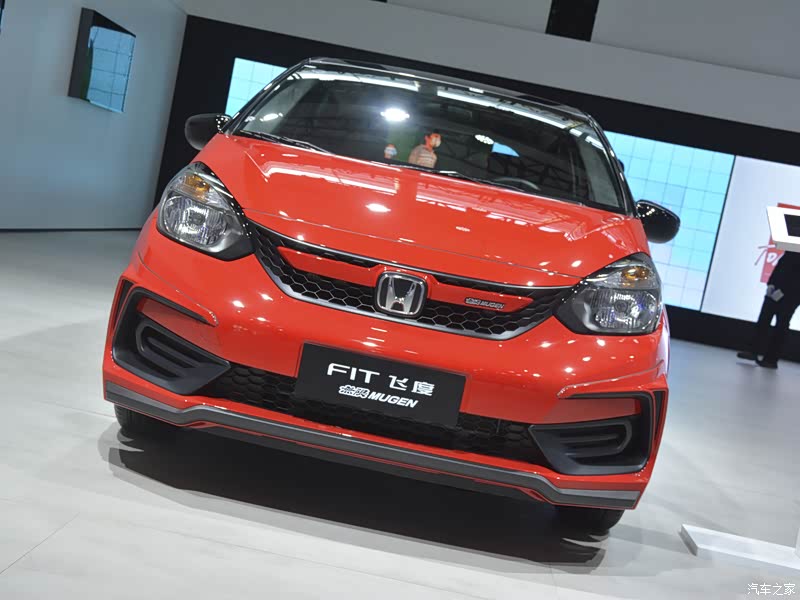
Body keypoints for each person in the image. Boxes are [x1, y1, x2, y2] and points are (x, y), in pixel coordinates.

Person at [738, 250, 800, 368]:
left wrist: (783, 292)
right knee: (763, 319)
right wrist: (771, 284)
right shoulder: (792, 250)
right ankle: (753, 350)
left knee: (781, 325)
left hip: (791, 296)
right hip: (775, 290)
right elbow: (780, 267)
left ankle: (771, 359)